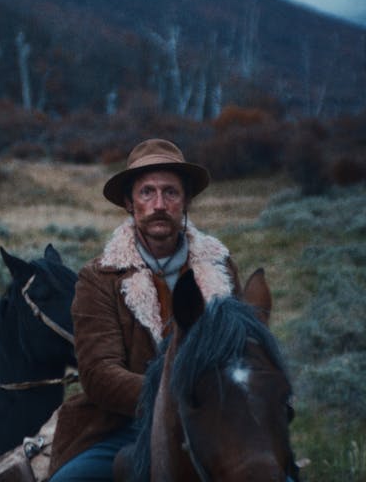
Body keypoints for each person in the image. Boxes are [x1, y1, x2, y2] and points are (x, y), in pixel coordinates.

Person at [49, 138, 241, 481]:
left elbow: (241, 354)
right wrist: (174, 398)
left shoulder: (220, 267)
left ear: (186, 201)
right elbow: (98, 373)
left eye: (170, 192)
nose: (159, 204)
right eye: (146, 192)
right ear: (128, 202)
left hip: (213, 422)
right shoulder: (100, 277)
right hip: (125, 425)